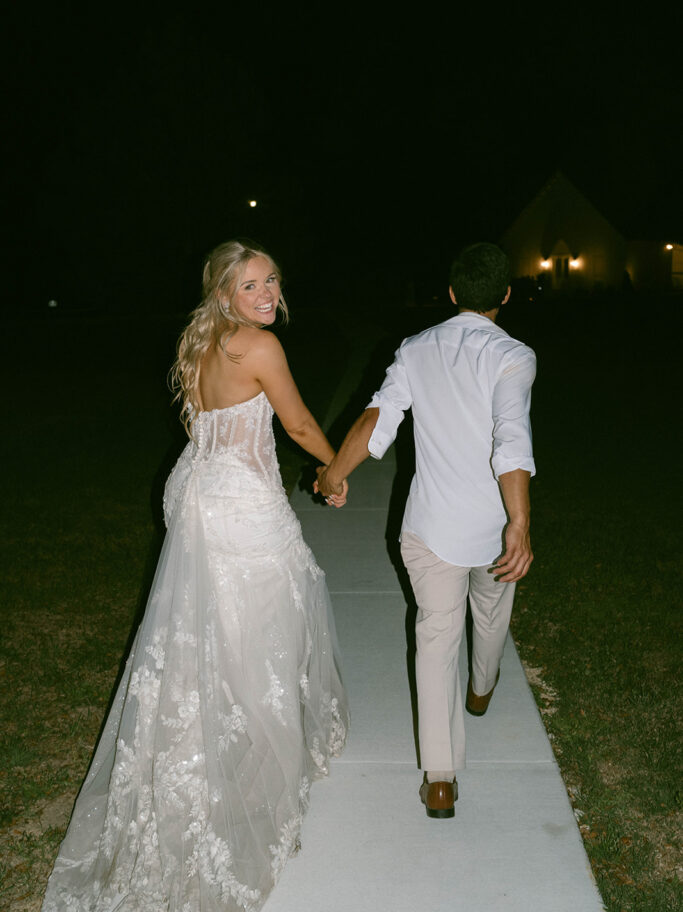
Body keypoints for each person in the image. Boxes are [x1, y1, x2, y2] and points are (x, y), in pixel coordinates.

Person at [42, 240, 350, 912]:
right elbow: (296, 422)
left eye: (271, 281)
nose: (266, 294)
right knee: (264, 624)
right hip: (237, 501)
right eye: (250, 286)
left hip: (193, 486)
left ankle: (212, 739)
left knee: (205, 627)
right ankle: (251, 757)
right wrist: (335, 470)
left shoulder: (202, 341)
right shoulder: (258, 347)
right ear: (223, 293)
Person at [316, 242, 535, 819]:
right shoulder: (514, 356)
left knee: (437, 638)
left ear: (452, 293)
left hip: (432, 529)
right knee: (489, 616)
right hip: (490, 527)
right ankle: (481, 690)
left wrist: (334, 474)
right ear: (506, 295)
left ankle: (441, 779)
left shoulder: (416, 349)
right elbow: (511, 437)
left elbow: (378, 417)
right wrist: (519, 521)